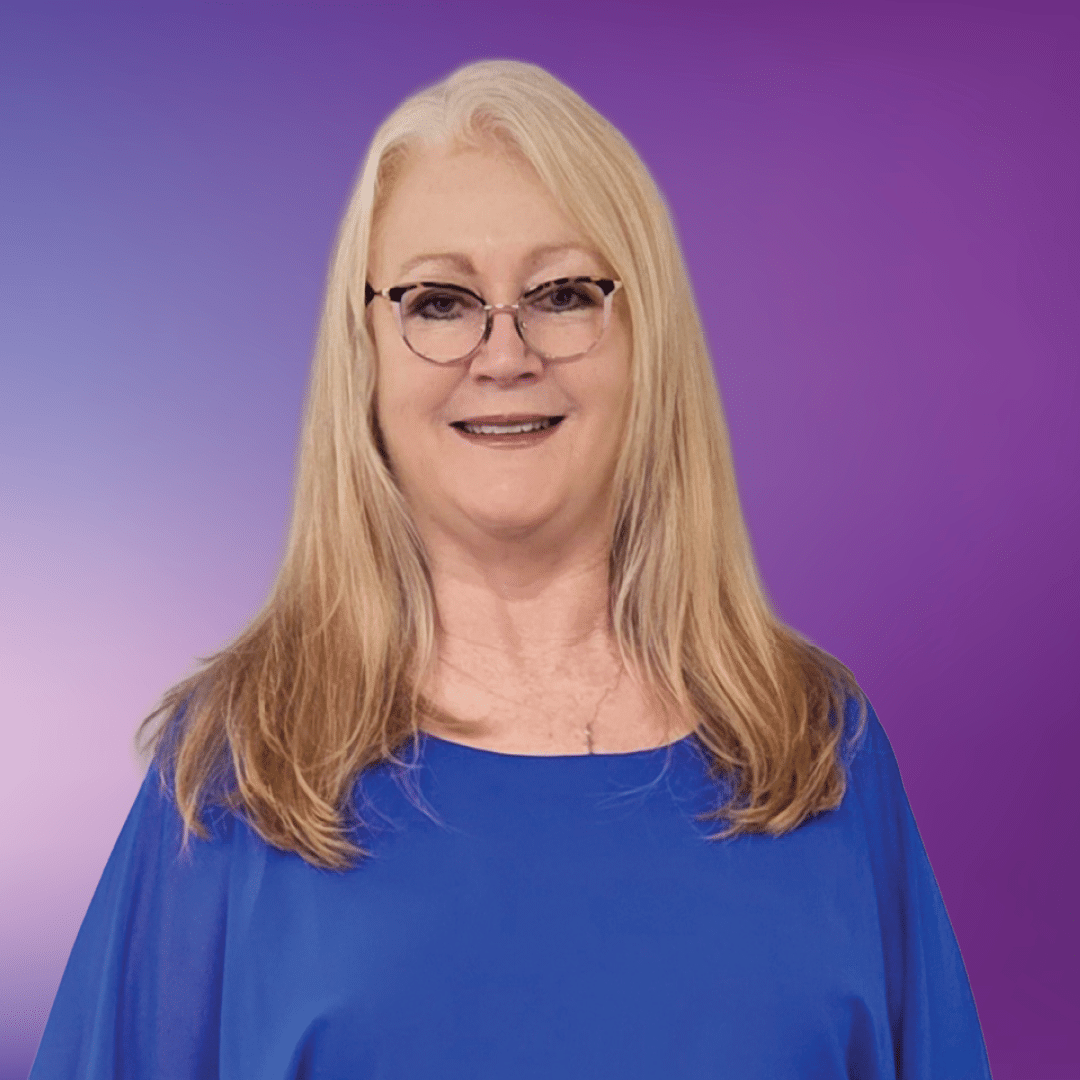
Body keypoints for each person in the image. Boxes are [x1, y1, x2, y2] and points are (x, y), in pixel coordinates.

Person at [30, 59, 991, 1079]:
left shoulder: (815, 745)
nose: (505, 353)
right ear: (366, 354)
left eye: (563, 293)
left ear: (646, 340)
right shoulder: (237, 764)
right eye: (440, 302)